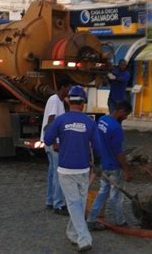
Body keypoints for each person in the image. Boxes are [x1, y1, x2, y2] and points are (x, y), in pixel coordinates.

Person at [44, 86, 100, 252]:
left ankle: (74, 234)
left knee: (76, 204)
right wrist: (97, 165)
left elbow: (47, 140)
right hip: (83, 170)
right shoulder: (90, 123)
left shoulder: (60, 121)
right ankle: (84, 238)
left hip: (66, 170)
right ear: (83, 103)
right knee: (78, 203)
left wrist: (54, 134)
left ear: (68, 101)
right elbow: (97, 148)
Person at [87, 101, 133, 230]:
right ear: (121, 110)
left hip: (103, 164)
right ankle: (120, 221)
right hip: (113, 167)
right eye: (126, 114)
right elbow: (119, 152)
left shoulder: (102, 120)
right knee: (116, 196)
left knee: (102, 193)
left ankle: (91, 219)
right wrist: (127, 170)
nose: (126, 117)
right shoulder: (116, 129)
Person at [40, 79, 71, 215]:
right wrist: (54, 142)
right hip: (54, 143)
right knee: (58, 174)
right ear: (62, 87)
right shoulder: (55, 100)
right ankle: (58, 204)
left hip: (52, 142)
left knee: (53, 173)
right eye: (68, 88)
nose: (69, 91)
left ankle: (50, 200)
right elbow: (51, 121)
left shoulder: (60, 102)